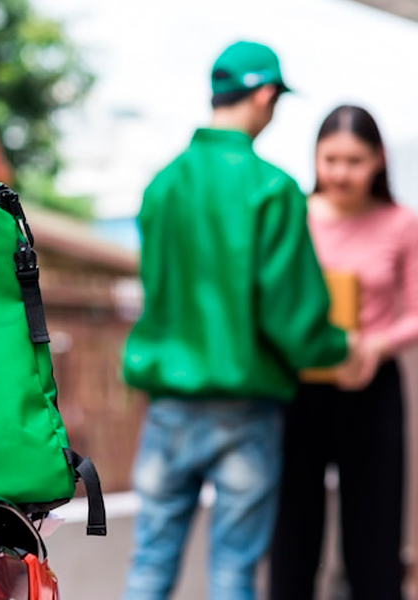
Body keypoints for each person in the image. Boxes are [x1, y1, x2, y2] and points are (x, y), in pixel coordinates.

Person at [122, 41, 356, 600]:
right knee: (233, 570)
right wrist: (338, 347)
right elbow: (291, 316)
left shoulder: (162, 186)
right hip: (246, 408)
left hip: (169, 404)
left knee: (150, 563)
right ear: (265, 94)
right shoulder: (272, 188)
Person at [269, 105, 418, 600]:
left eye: (354, 161)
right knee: (292, 537)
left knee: (375, 539)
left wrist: (377, 345)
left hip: (372, 389)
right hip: (299, 389)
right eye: (330, 159)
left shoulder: (401, 223)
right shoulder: (294, 216)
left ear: (378, 159)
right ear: (314, 157)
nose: (340, 173)